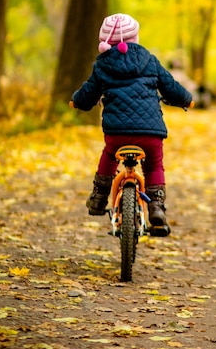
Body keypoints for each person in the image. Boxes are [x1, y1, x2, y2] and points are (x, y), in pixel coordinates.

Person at [69, 13, 193, 232]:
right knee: (154, 164)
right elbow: (171, 87)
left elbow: (88, 92)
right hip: (150, 133)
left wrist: (76, 102)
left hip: (117, 133)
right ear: (135, 37)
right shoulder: (150, 60)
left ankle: (98, 198)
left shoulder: (102, 65)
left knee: (109, 155)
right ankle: (156, 207)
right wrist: (186, 100)